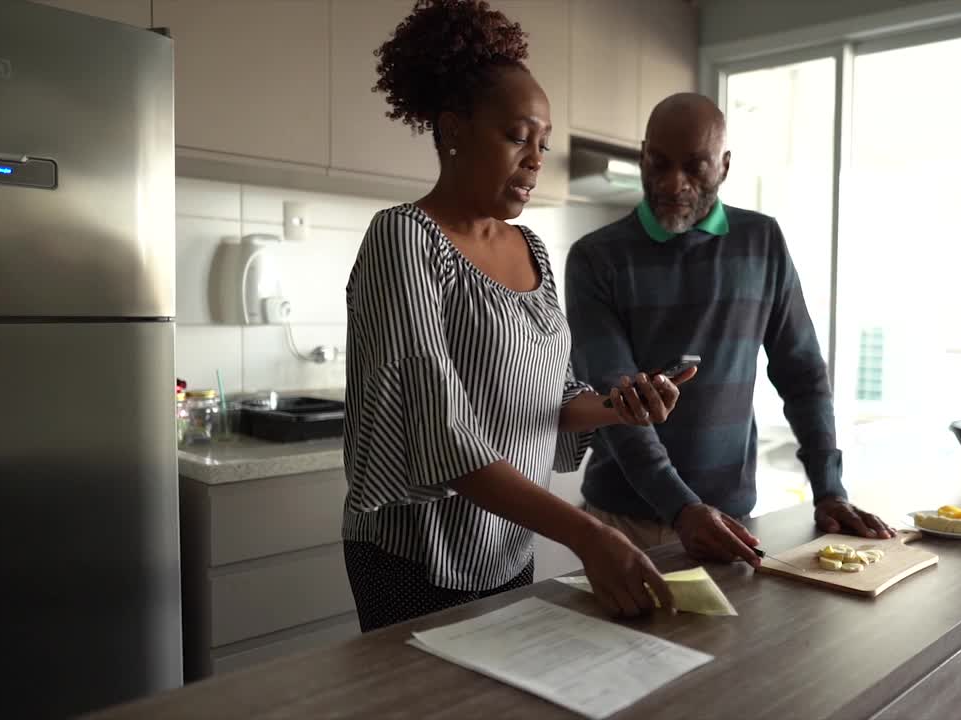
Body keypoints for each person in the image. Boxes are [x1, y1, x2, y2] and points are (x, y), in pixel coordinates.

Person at [341, 0, 693, 630]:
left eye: (544, 143)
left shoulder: (531, 248)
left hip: (510, 546)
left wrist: (619, 404)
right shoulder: (404, 238)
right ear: (452, 130)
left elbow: (552, 396)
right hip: (417, 555)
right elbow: (441, 434)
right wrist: (588, 534)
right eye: (516, 136)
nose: (536, 159)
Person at [565, 93, 894, 567]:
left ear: (724, 166)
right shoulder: (596, 258)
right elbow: (617, 399)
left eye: (694, 166)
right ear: (642, 155)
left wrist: (829, 489)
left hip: (732, 517)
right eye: (658, 163)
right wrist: (682, 508)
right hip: (624, 520)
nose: (673, 183)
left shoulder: (762, 243)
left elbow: (801, 374)